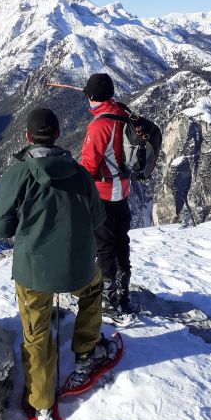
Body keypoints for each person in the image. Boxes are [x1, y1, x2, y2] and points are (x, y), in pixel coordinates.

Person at [0, 108, 114, 420]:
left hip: (34, 271)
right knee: (92, 291)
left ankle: (41, 402)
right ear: (58, 135)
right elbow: (98, 218)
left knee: (36, 332)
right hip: (77, 266)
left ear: (28, 138)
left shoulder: (19, 174)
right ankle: (87, 351)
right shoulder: (78, 172)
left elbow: (2, 226)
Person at [80, 73, 134, 322]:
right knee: (122, 240)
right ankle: (123, 292)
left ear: (92, 97)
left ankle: (109, 298)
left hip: (104, 194)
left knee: (105, 245)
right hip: (123, 189)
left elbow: (89, 165)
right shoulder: (123, 113)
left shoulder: (99, 125)